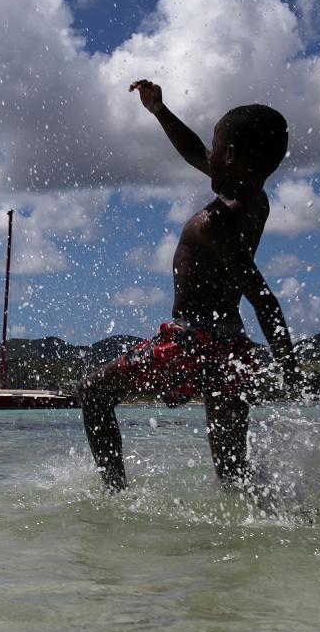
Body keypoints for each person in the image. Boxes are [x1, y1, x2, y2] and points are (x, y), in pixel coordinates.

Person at [80, 79, 302, 493]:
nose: (206, 156)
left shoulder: (213, 223)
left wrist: (290, 371)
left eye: (214, 149)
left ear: (230, 156)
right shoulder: (257, 201)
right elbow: (194, 152)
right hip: (232, 349)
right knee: (232, 473)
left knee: (92, 391)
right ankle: (282, 517)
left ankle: (114, 495)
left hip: (189, 344)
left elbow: (263, 298)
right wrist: (160, 111)